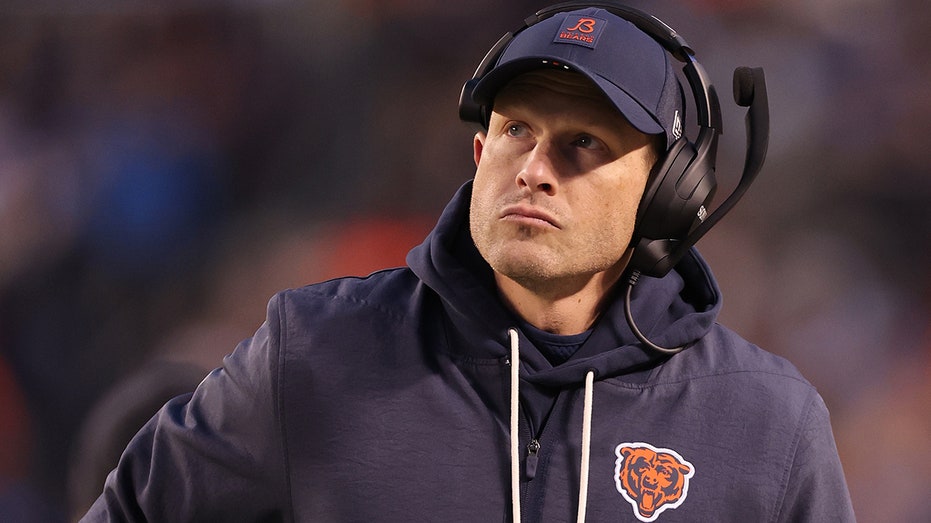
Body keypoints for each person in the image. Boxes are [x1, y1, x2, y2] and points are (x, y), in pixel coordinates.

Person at [81, 3, 855, 522]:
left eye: (583, 142)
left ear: (667, 192)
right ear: (479, 153)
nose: (535, 169)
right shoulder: (312, 353)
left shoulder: (766, 422)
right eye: (517, 131)